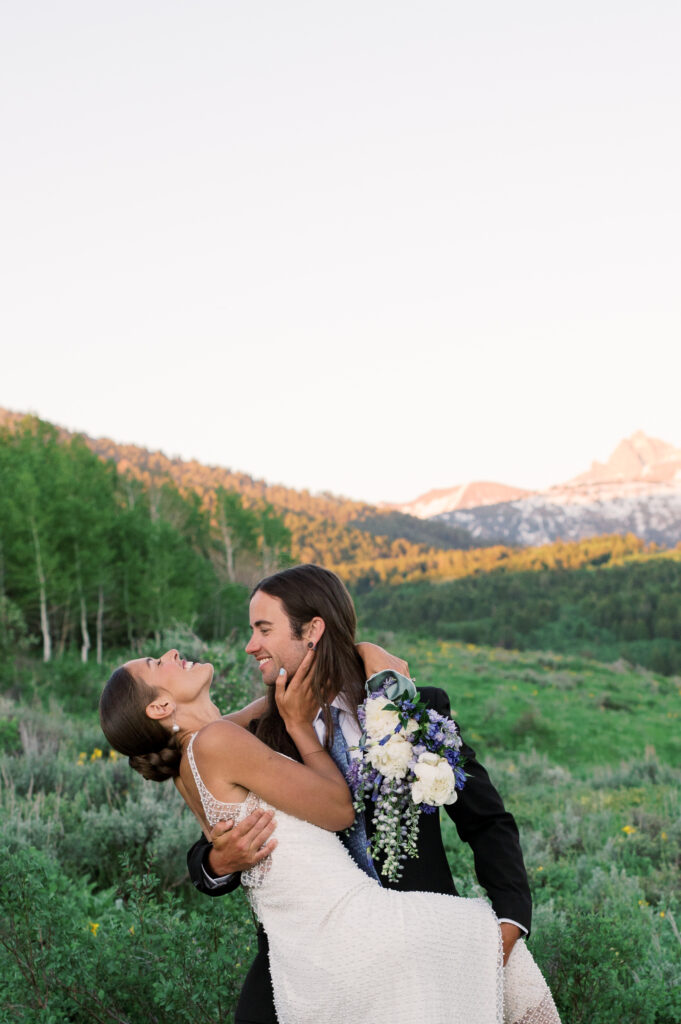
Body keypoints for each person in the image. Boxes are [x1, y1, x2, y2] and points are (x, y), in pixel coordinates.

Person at [100, 565, 561, 1024]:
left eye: (263, 629)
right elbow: (219, 830)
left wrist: (511, 920)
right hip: (305, 966)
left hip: (414, 948)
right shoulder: (261, 733)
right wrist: (217, 863)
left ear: (312, 630)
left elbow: (486, 818)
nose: (250, 645)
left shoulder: (412, 709)